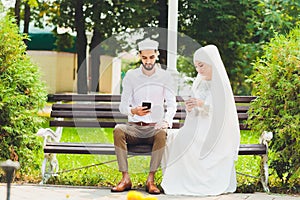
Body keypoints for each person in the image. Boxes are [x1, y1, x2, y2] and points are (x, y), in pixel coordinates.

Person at [161, 45, 240, 196]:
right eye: (197, 66)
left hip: (215, 129)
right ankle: (184, 181)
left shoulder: (220, 83)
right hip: (199, 124)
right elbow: (196, 107)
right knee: (179, 139)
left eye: (201, 65)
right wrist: (191, 107)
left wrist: (201, 104)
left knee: (192, 141)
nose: (199, 70)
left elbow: (221, 112)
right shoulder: (200, 82)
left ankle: (201, 182)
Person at [111, 38, 177, 194]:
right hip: (134, 128)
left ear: (156, 55)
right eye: (144, 57)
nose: (148, 61)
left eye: (151, 57)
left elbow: (172, 104)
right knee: (118, 129)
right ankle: (125, 178)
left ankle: (151, 180)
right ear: (140, 56)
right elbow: (122, 107)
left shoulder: (165, 77)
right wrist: (134, 111)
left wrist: (166, 122)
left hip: (154, 128)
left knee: (162, 133)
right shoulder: (131, 76)